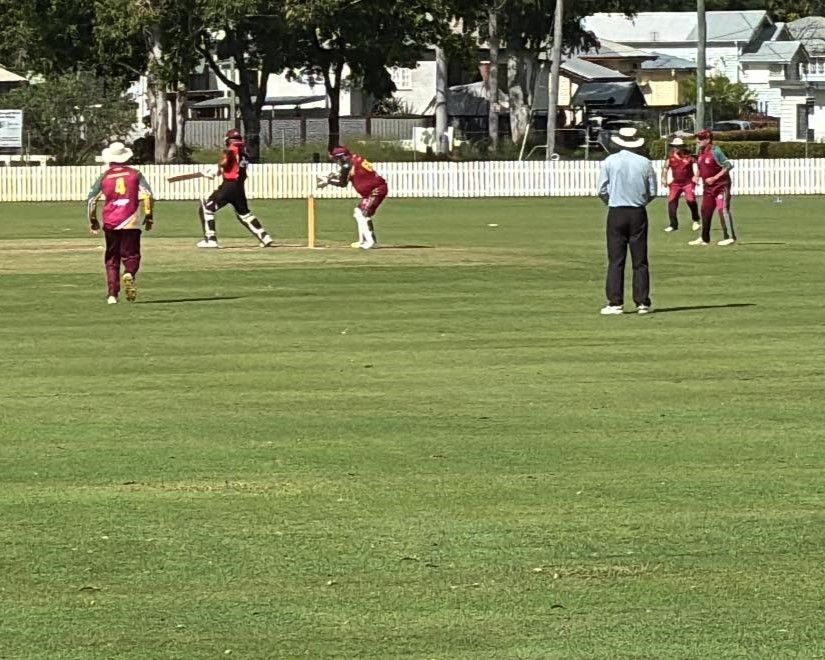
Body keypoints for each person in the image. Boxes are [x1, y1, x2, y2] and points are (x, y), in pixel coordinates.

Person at [596, 127, 658, 315]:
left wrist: (612, 201)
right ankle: (642, 302)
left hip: (616, 211)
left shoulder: (610, 161)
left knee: (616, 259)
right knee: (640, 259)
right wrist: (640, 202)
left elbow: (602, 190)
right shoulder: (645, 163)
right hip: (638, 212)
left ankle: (615, 302)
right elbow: (653, 191)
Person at [86, 142, 155, 305]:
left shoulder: (104, 176)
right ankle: (129, 273)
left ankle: (112, 295)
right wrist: (149, 216)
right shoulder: (135, 174)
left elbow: (91, 200)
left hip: (111, 221)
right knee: (132, 255)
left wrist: (93, 221)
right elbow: (148, 195)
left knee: (112, 258)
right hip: (131, 220)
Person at [197, 128, 275, 248]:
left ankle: (210, 239)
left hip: (228, 186)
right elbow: (234, 168)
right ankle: (264, 237)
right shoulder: (244, 152)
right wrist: (219, 171)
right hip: (239, 187)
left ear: (228, 140)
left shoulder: (231, 150)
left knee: (207, 209)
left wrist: (216, 168)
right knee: (244, 214)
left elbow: (225, 162)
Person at [321, 146, 388, 249]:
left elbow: (343, 183)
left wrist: (328, 181)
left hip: (376, 190)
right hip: (374, 189)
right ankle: (363, 240)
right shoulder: (356, 159)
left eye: (337, 159)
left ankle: (370, 242)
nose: (337, 162)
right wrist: (333, 176)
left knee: (362, 213)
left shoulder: (348, 165)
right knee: (359, 212)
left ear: (341, 157)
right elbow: (350, 173)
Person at [689, 129, 737, 247]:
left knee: (722, 209)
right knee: (705, 210)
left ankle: (729, 237)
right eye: (697, 138)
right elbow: (701, 167)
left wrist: (714, 178)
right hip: (708, 188)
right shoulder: (700, 152)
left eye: (700, 139)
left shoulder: (716, 151)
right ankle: (704, 238)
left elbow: (728, 165)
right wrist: (696, 176)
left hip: (721, 186)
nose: (697, 141)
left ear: (708, 139)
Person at [661, 137, 700, 232]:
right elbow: (665, 168)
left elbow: (699, 166)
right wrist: (663, 178)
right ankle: (673, 224)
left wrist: (697, 176)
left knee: (690, 200)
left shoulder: (689, 156)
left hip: (688, 182)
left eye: (679, 146)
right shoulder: (670, 157)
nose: (677, 148)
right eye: (675, 147)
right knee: (671, 202)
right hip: (676, 183)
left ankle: (696, 220)